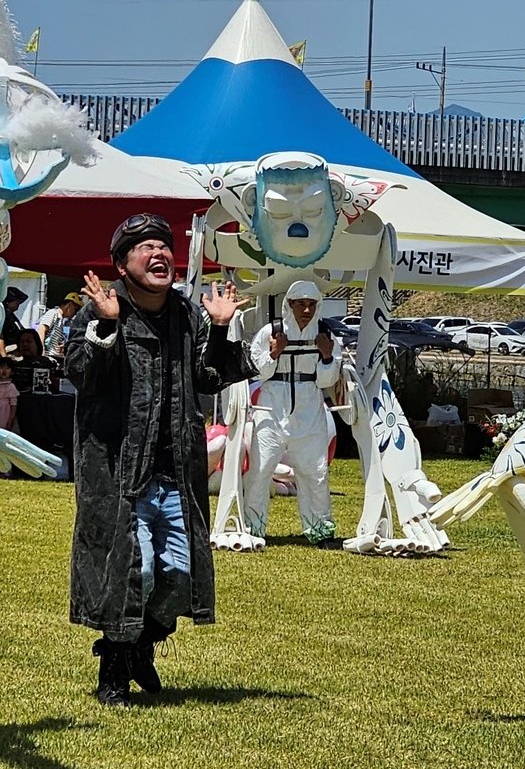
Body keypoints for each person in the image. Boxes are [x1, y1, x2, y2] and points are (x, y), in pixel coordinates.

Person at [65, 213, 256, 707]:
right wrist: (106, 325)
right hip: (118, 472)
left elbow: (210, 377)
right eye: (145, 247)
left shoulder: (187, 314)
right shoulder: (99, 311)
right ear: (122, 264)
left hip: (176, 471)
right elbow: (82, 373)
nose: (159, 254)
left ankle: (142, 645)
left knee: (179, 574)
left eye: (164, 246)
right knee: (134, 570)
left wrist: (219, 330)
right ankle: (113, 669)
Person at [244, 280, 342, 544]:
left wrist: (327, 357)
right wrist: (274, 353)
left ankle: (320, 530)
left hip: (309, 407)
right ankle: (253, 529)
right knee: (260, 469)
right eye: (301, 304)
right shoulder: (270, 332)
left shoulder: (326, 334)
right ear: (290, 304)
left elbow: (327, 381)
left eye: (312, 305)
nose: (306, 310)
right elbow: (257, 370)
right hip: (271, 406)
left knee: (315, 470)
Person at [37, 291, 85, 359]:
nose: (75, 313)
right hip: (47, 356)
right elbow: (41, 330)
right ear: (69, 305)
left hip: (54, 357)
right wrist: (40, 353)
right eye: (76, 309)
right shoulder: (53, 313)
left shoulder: (62, 321)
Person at [0, 286, 29, 357]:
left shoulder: (11, 315)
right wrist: (3, 356)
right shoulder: (2, 315)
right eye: (17, 301)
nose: (19, 303)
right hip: (9, 353)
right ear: (8, 302)